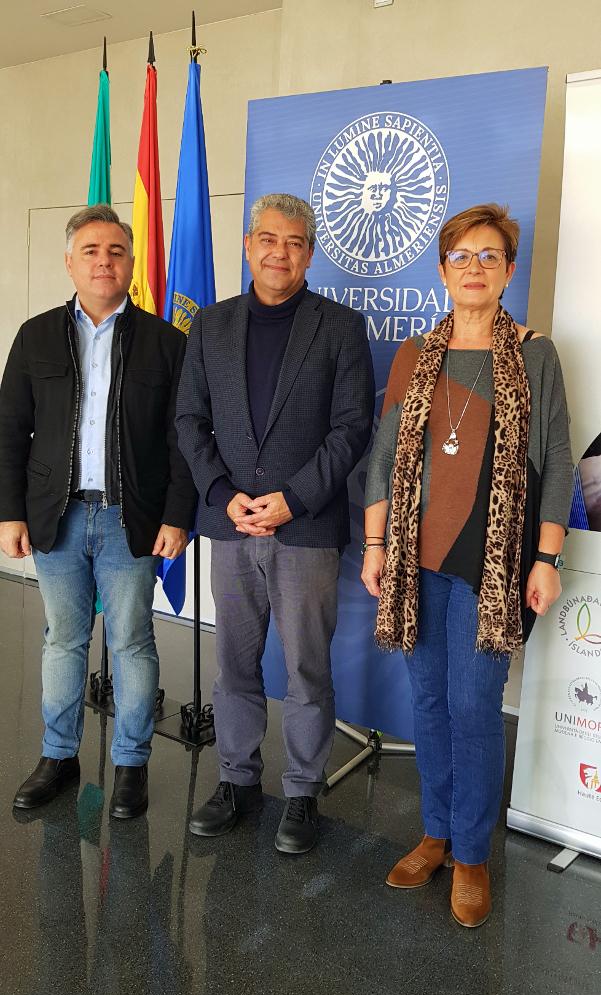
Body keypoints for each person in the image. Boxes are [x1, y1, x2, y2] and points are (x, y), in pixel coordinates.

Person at [362, 204, 573, 926]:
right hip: (414, 561)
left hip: (495, 567)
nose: (474, 267)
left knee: (473, 706)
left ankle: (472, 856)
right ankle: (436, 833)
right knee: (426, 703)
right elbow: (384, 460)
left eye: (489, 256)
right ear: (442, 270)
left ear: (508, 271)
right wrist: (373, 547)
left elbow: (558, 467)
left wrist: (545, 557)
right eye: (461, 256)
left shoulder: (534, 355)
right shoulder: (413, 354)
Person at [176, 193, 375, 854]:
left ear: (309, 253)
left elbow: (352, 429)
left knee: (305, 671)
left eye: (293, 242)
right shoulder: (209, 325)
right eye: (267, 238)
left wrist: (293, 498)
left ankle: (300, 794)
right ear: (247, 245)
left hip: (305, 531)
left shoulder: (340, 327)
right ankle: (235, 779)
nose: (278, 252)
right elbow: (189, 420)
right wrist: (220, 490)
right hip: (230, 526)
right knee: (233, 665)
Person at [0, 204, 196, 819]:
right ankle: (59, 756)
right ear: (69, 262)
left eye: (115, 251)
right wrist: (9, 513)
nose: (104, 261)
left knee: (133, 642)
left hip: (128, 519)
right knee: (63, 641)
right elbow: (10, 430)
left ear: (131, 263)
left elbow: (183, 439)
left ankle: (131, 765)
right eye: (91, 251)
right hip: (54, 518)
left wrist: (177, 515)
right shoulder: (34, 336)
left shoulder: (166, 342)